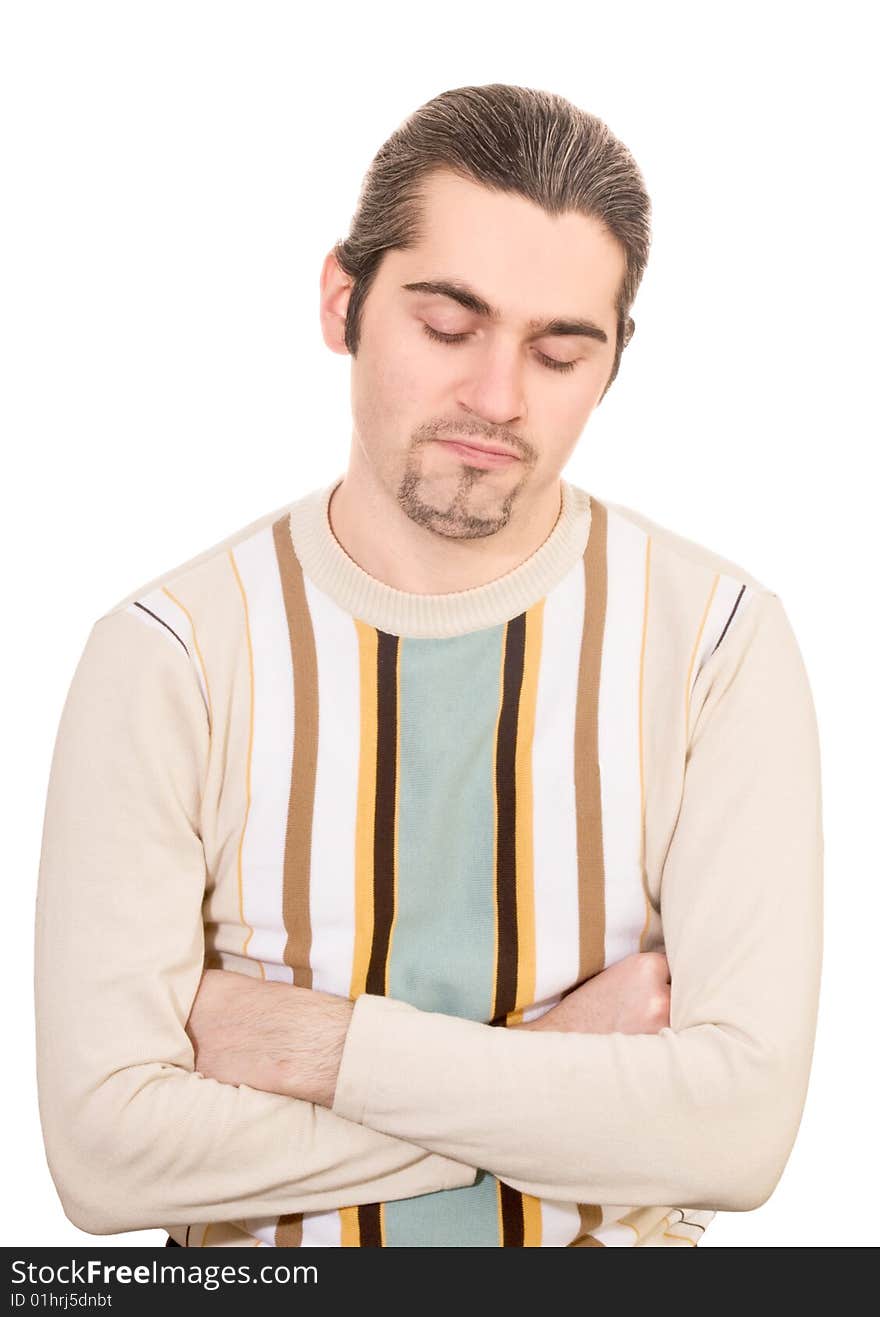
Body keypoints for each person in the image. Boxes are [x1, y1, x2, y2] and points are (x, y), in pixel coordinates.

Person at [34, 83, 823, 1249]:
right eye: (447, 328)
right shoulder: (170, 656)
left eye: (559, 353)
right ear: (341, 302)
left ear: (611, 369)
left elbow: (738, 1140)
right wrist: (552, 1075)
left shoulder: (715, 642)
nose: (495, 399)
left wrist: (312, 1048)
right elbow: (105, 1161)